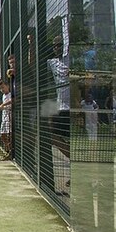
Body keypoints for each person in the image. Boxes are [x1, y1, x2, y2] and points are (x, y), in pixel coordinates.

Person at [28, 34, 70, 197]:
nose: (56, 48)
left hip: (75, 107)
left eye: (59, 45)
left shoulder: (73, 59)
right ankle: (72, 158)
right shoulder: (53, 63)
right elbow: (33, 66)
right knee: (50, 135)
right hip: (59, 106)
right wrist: (31, 45)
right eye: (55, 45)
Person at [0, 80, 13, 159]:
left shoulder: (11, 94)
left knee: (10, 136)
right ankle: (9, 149)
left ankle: (10, 152)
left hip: (10, 118)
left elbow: (13, 101)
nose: (2, 90)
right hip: (4, 117)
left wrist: (3, 105)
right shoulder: (3, 96)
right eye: (0, 89)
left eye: (3, 87)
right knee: (2, 135)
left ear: (8, 86)